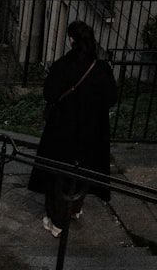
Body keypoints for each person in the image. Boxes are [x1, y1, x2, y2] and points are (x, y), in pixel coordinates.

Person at [28, 20, 118, 238]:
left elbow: (49, 94)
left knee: (58, 172)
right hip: (91, 130)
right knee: (82, 170)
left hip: (63, 128)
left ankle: (55, 221)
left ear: (71, 40)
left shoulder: (62, 66)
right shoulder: (101, 68)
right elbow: (112, 98)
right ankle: (75, 209)